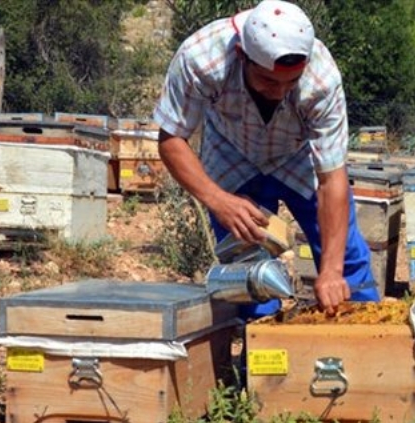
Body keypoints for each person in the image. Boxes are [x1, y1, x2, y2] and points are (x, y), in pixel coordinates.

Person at [153, 0, 380, 318]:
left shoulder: (322, 78)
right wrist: (218, 200)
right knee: (249, 269)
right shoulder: (201, 58)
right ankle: (262, 357)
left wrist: (330, 270)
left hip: (299, 156)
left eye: (292, 82)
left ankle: (369, 350)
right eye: (269, 81)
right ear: (242, 56)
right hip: (232, 155)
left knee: (345, 258)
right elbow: (171, 139)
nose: (281, 91)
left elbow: (331, 178)